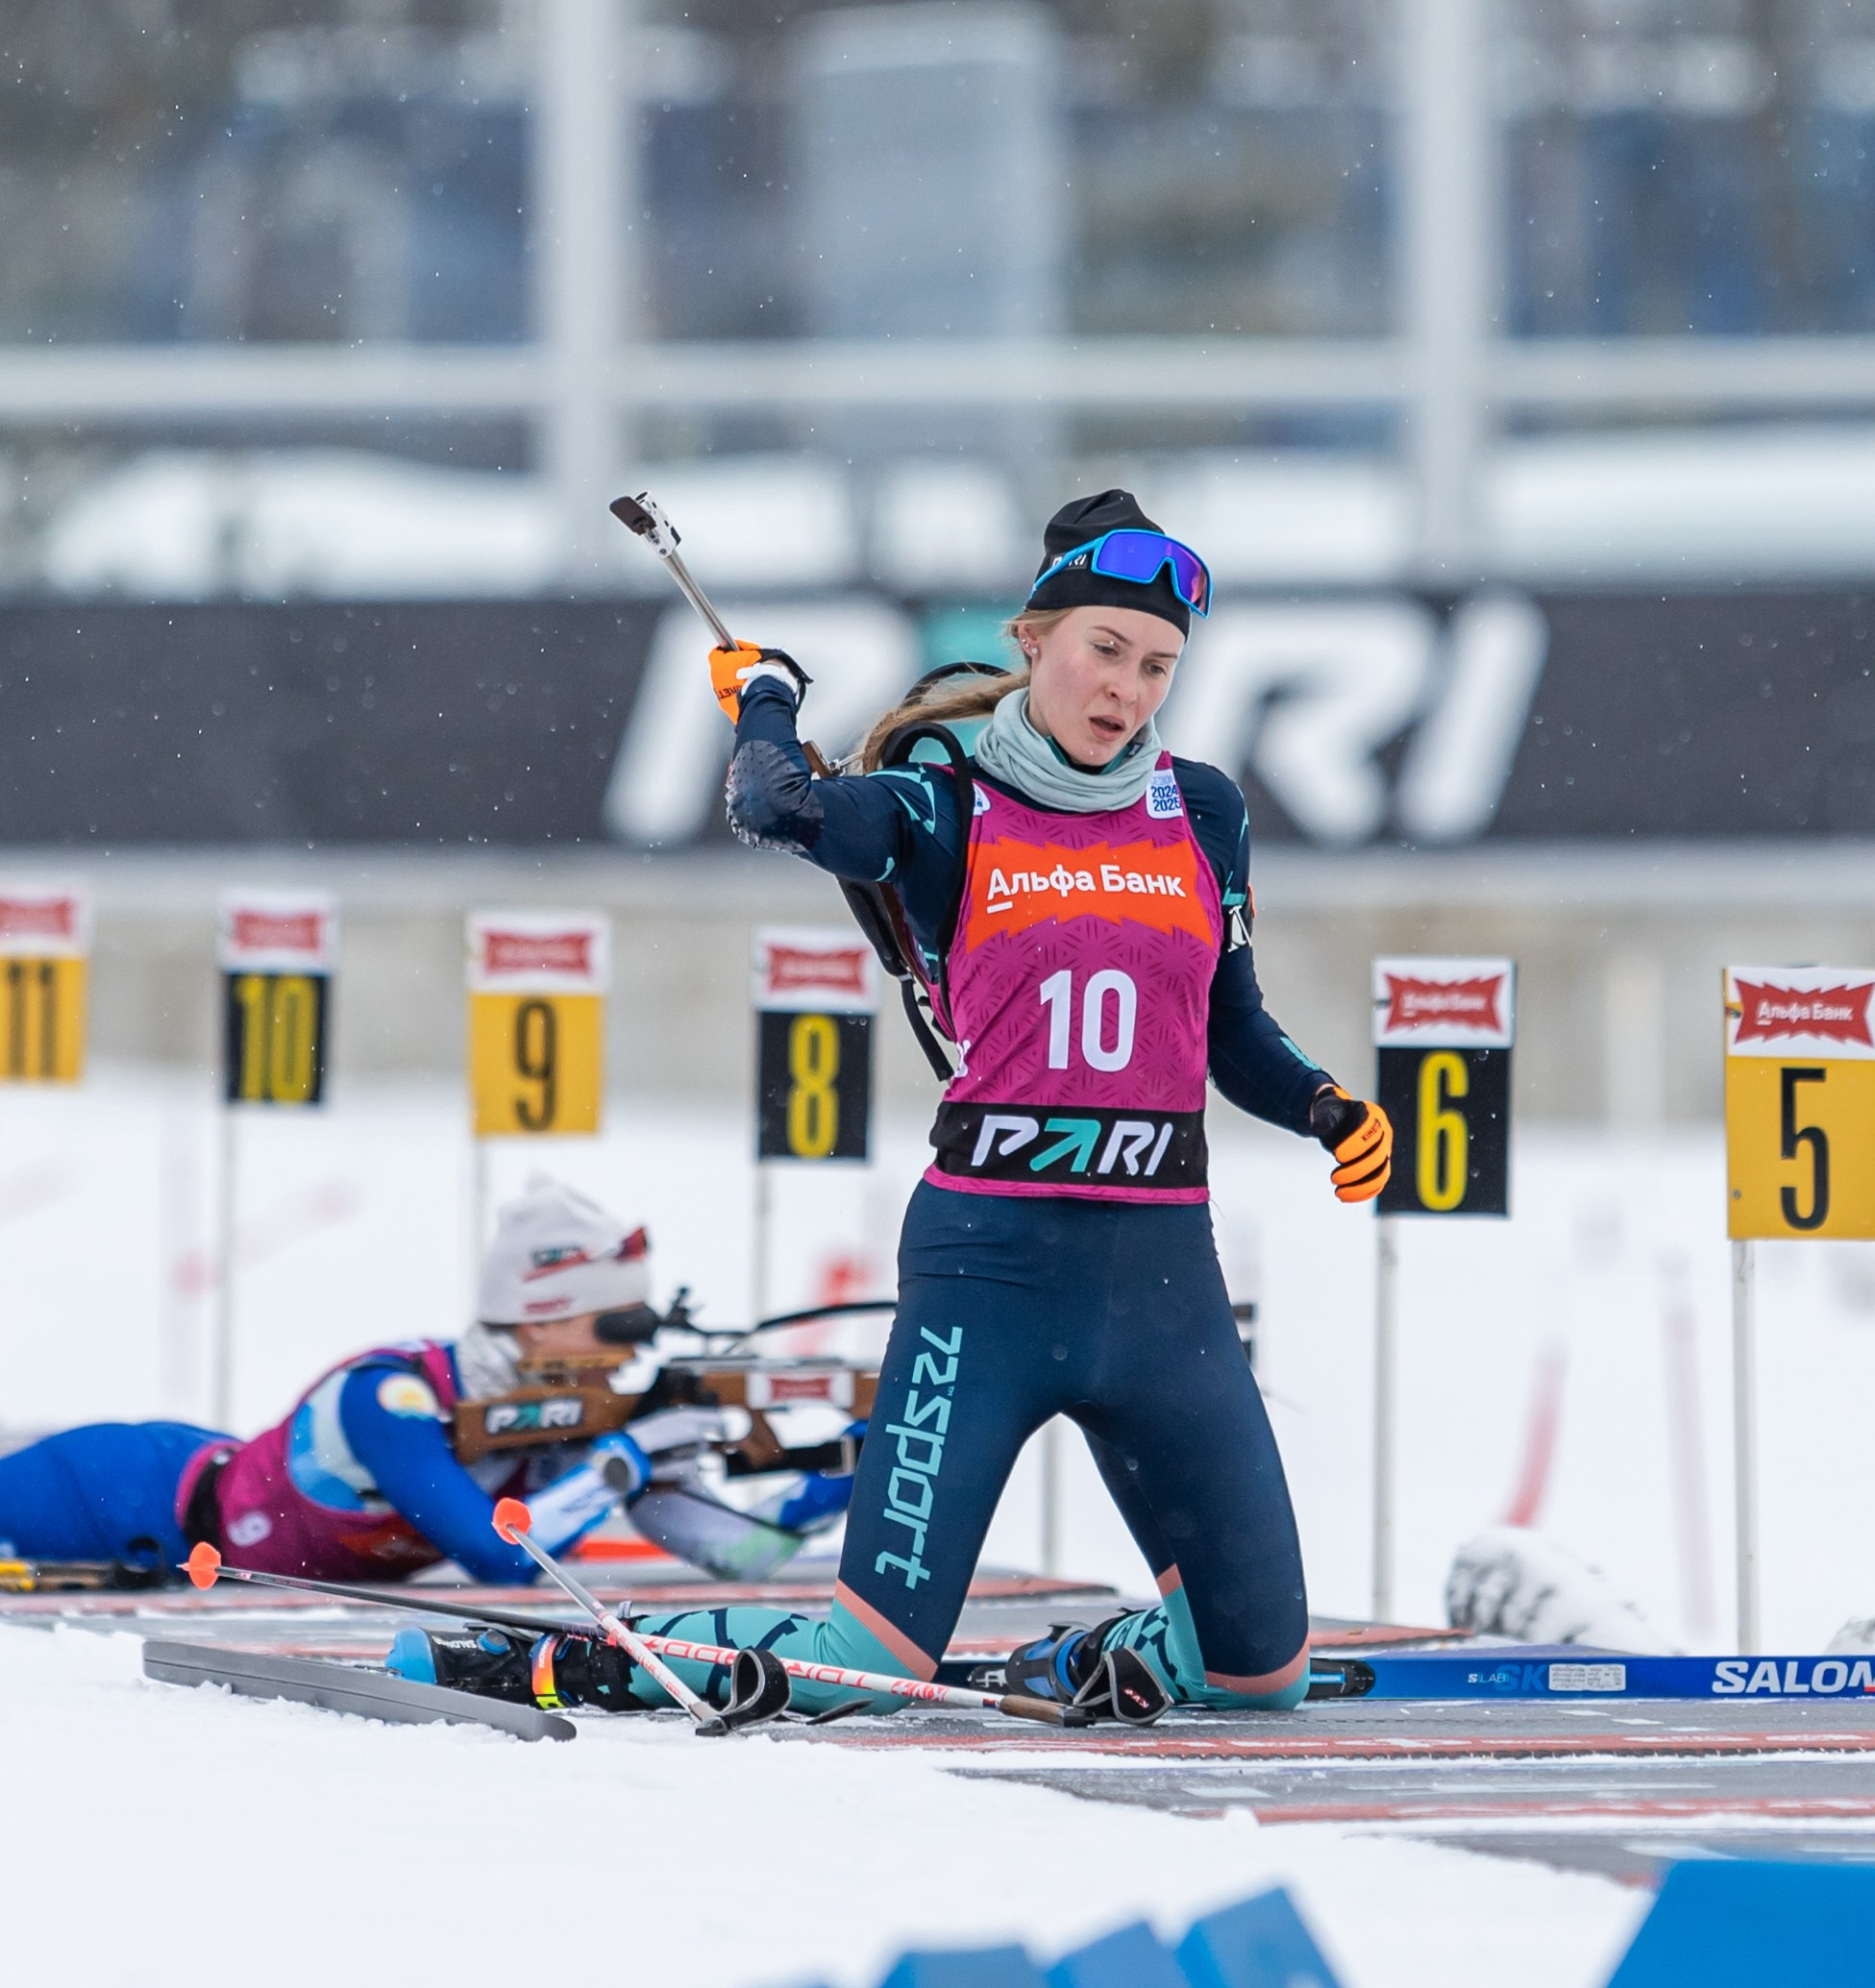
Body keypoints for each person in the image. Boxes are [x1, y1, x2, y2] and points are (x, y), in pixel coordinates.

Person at [530, 488, 1392, 1728]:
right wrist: (765, 699)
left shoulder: (1202, 810)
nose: (1126, 690)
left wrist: (1323, 1106)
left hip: (1161, 1281)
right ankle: (595, 1655)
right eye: (1103, 649)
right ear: (1031, 640)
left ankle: (1086, 1662)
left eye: (1156, 666)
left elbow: (1230, 1027)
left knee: (1263, 1676)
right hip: (990, 1273)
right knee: (864, 1667)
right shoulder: (942, 805)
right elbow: (774, 805)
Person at [0, 1180, 836, 1588]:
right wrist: (623, 1460)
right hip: (123, 1489)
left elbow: (745, 1553)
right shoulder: (390, 1398)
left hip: (191, 1542)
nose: (628, 1354)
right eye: (612, 1326)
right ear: (537, 1320)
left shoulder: (570, 1424)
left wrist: (854, 1465)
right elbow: (500, 1559)